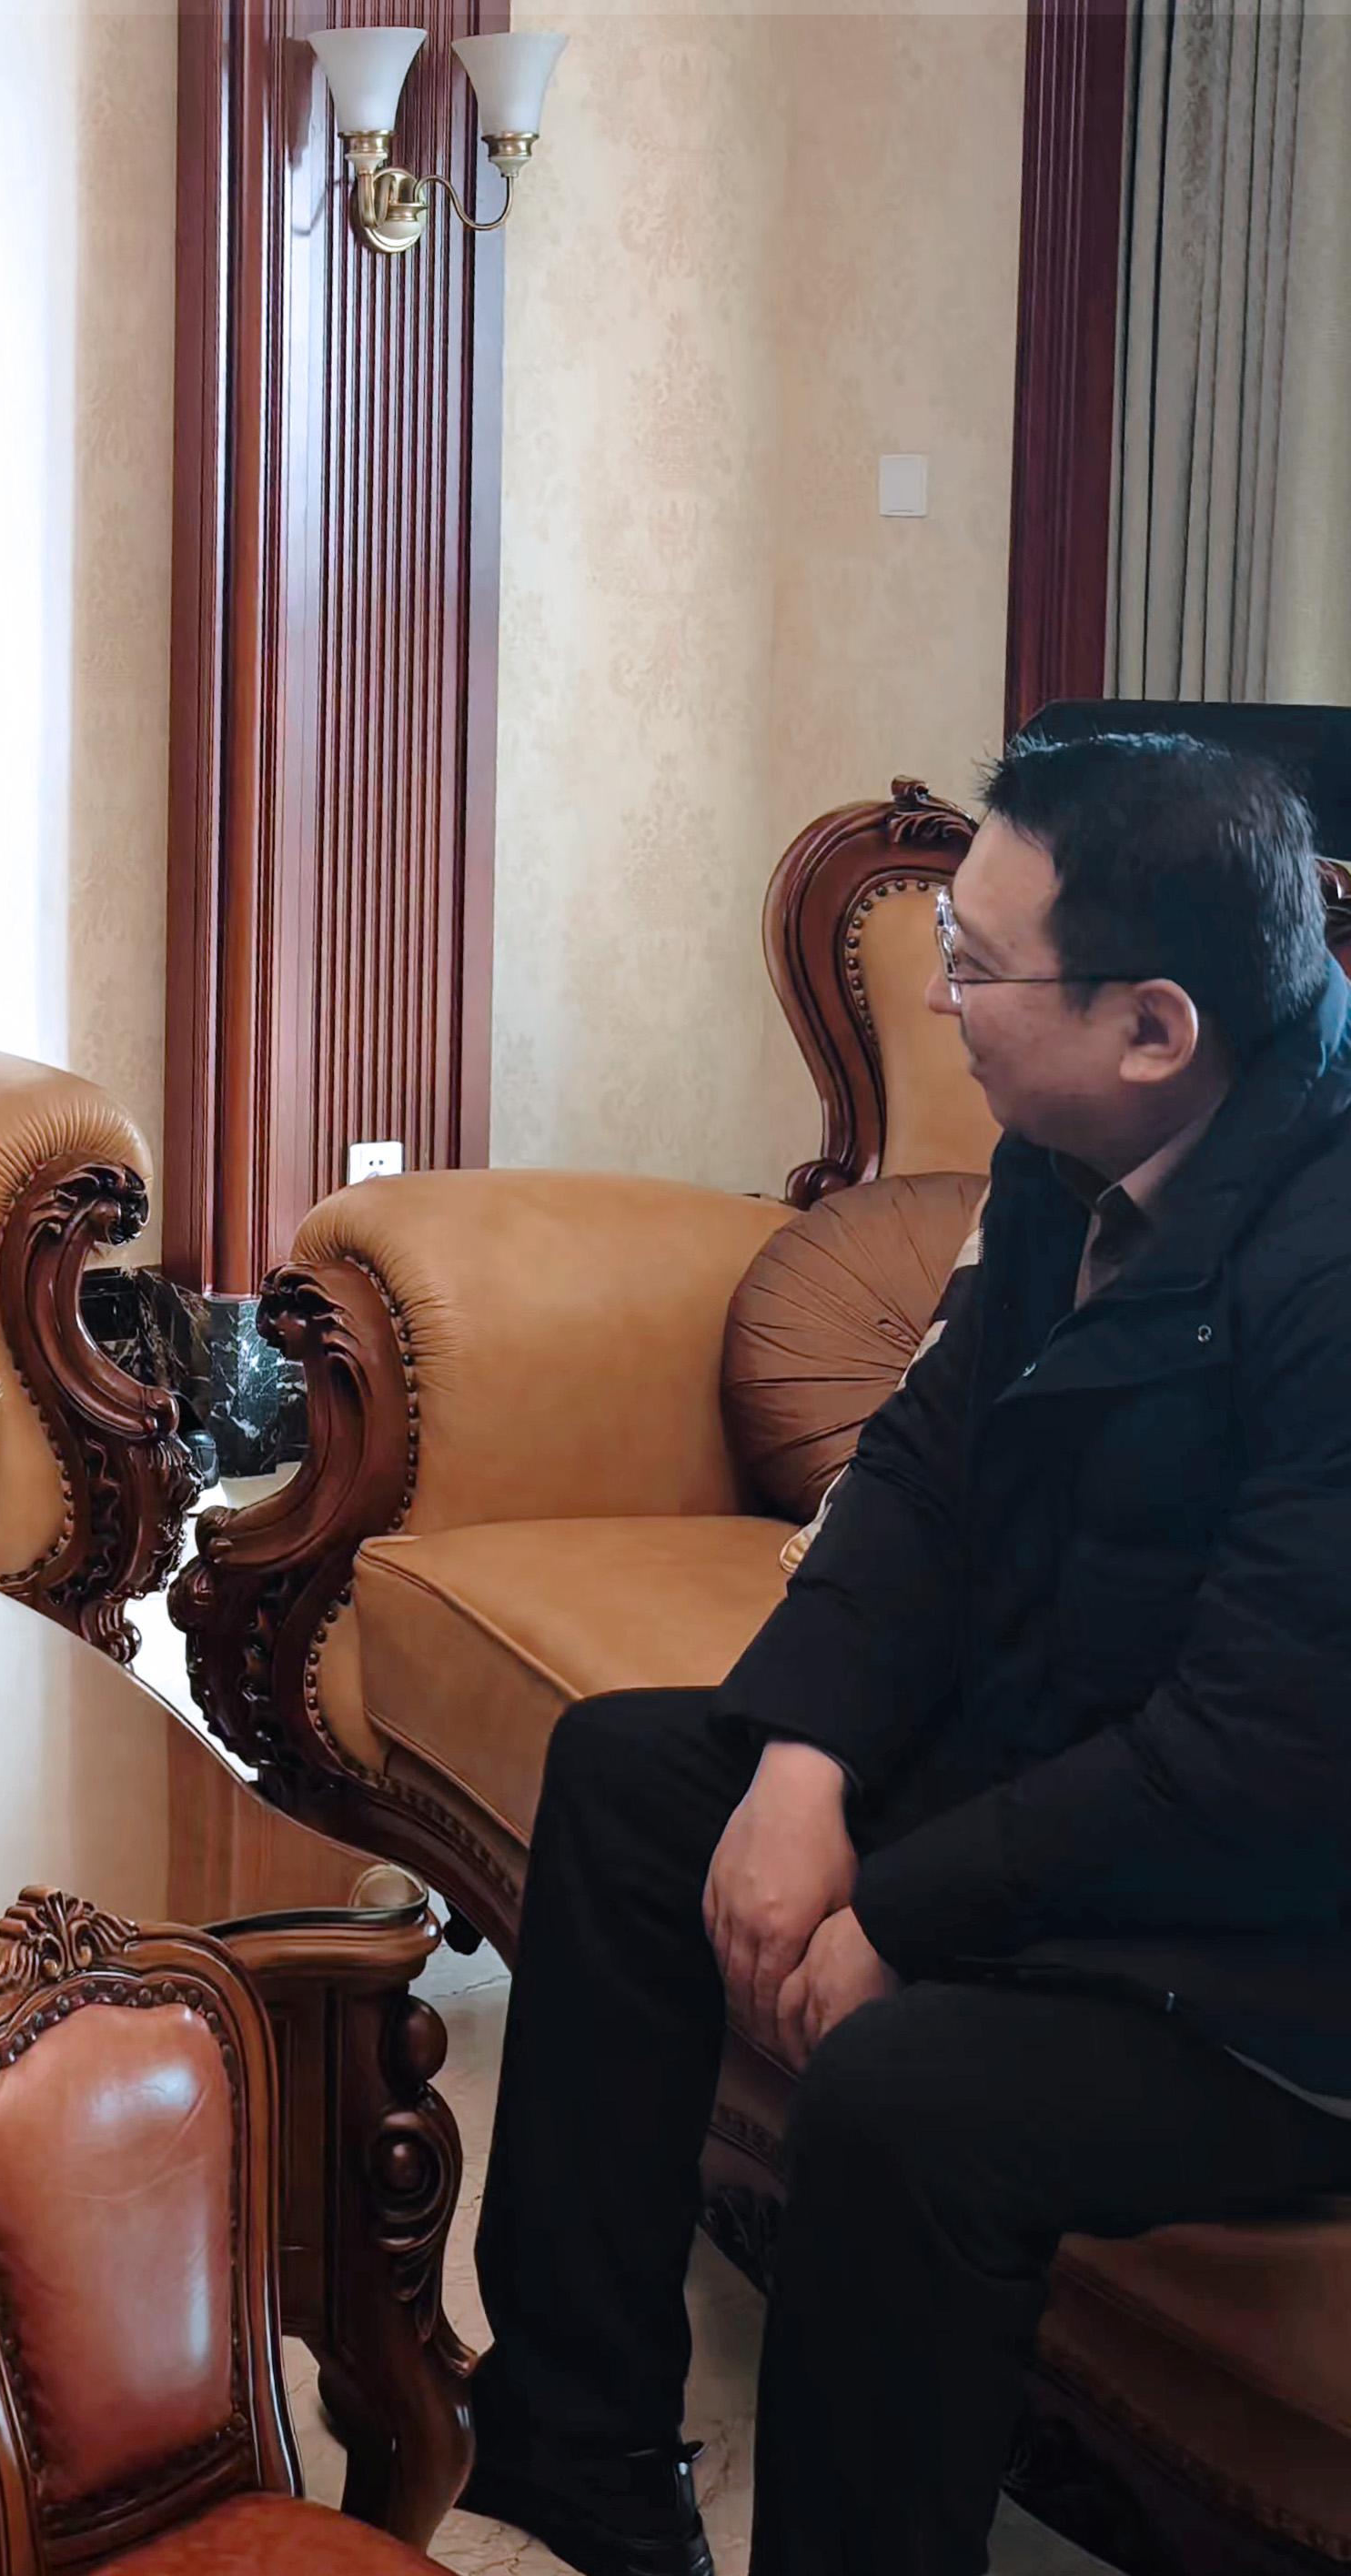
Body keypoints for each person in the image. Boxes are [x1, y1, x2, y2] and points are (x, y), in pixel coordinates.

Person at [461, 731, 1351, 2576]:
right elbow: (928, 1470)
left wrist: (902, 1911)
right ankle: (576, 2470)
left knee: (904, 2095)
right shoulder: (1070, 1146)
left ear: (1154, 1028)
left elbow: (1251, 1759)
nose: (939, 998)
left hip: (1274, 1955)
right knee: (634, 1780)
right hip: (1076, 1784)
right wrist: (801, 1764)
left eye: (974, 962)